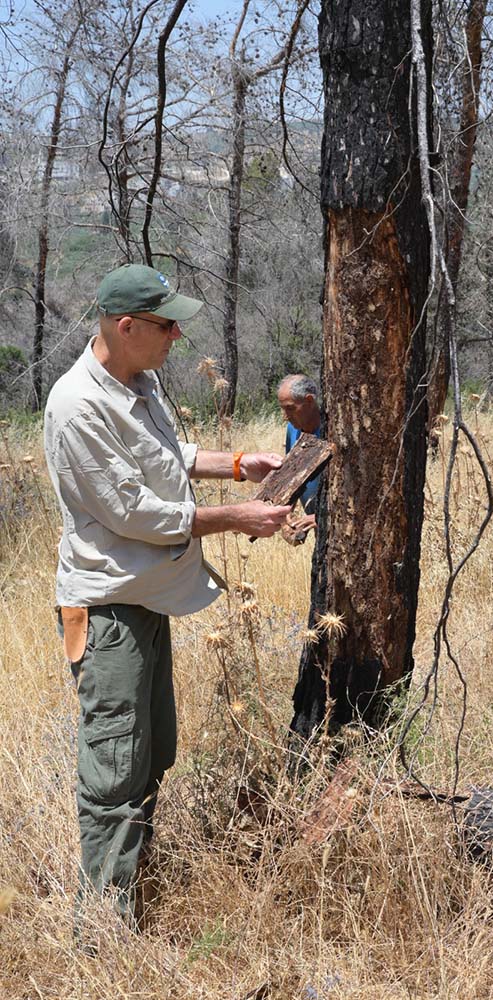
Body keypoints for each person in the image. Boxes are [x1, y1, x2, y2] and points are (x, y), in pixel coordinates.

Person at [43, 263, 291, 932]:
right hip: (105, 608)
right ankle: (101, 934)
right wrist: (239, 515)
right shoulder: (76, 406)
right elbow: (137, 513)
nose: (178, 334)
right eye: (165, 323)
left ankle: (131, 896)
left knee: (153, 753)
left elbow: (165, 453)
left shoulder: (138, 381)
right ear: (126, 327)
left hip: (147, 599)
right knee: (115, 771)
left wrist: (241, 464)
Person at [276, 374, 322, 540]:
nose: (285, 415)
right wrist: (286, 513)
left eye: (290, 408)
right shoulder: (292, 429)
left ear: (309, 401)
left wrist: (322, 518)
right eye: (282, 408)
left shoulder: (333, 429)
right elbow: (292, 475)